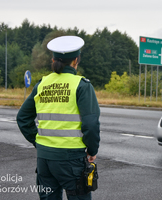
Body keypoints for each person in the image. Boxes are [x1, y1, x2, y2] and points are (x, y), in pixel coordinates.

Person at [16, 35, 100, 200]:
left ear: (53, 60)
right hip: (72, 160)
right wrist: (92, 151)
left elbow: (23, 118)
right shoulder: (81, 85)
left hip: (44, 160)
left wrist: (38, 142)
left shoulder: (42, 84)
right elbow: (90, 124)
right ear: (76, 60)